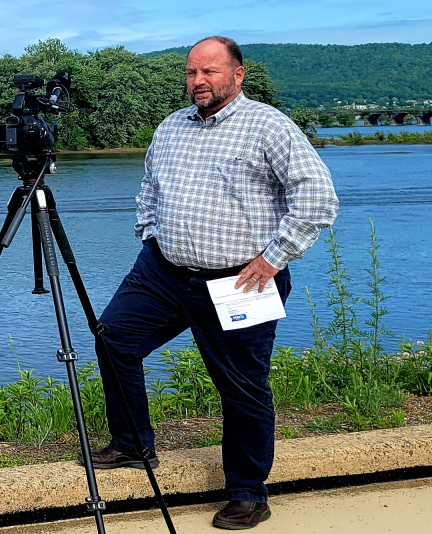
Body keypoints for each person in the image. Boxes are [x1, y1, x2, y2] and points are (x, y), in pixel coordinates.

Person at [89, 36, 338, 530]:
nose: (199, 81)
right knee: (114, 340)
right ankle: (133, 444)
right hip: (162, 271)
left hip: (240, 281)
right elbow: (149, 189)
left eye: (210, 72)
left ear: (237, 75)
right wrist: (150, 235)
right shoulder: (171, 126)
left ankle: (248, 492)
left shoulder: (268, 125)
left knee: (242, 387)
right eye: (191, 73)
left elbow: (318, 198)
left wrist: (274, 258)